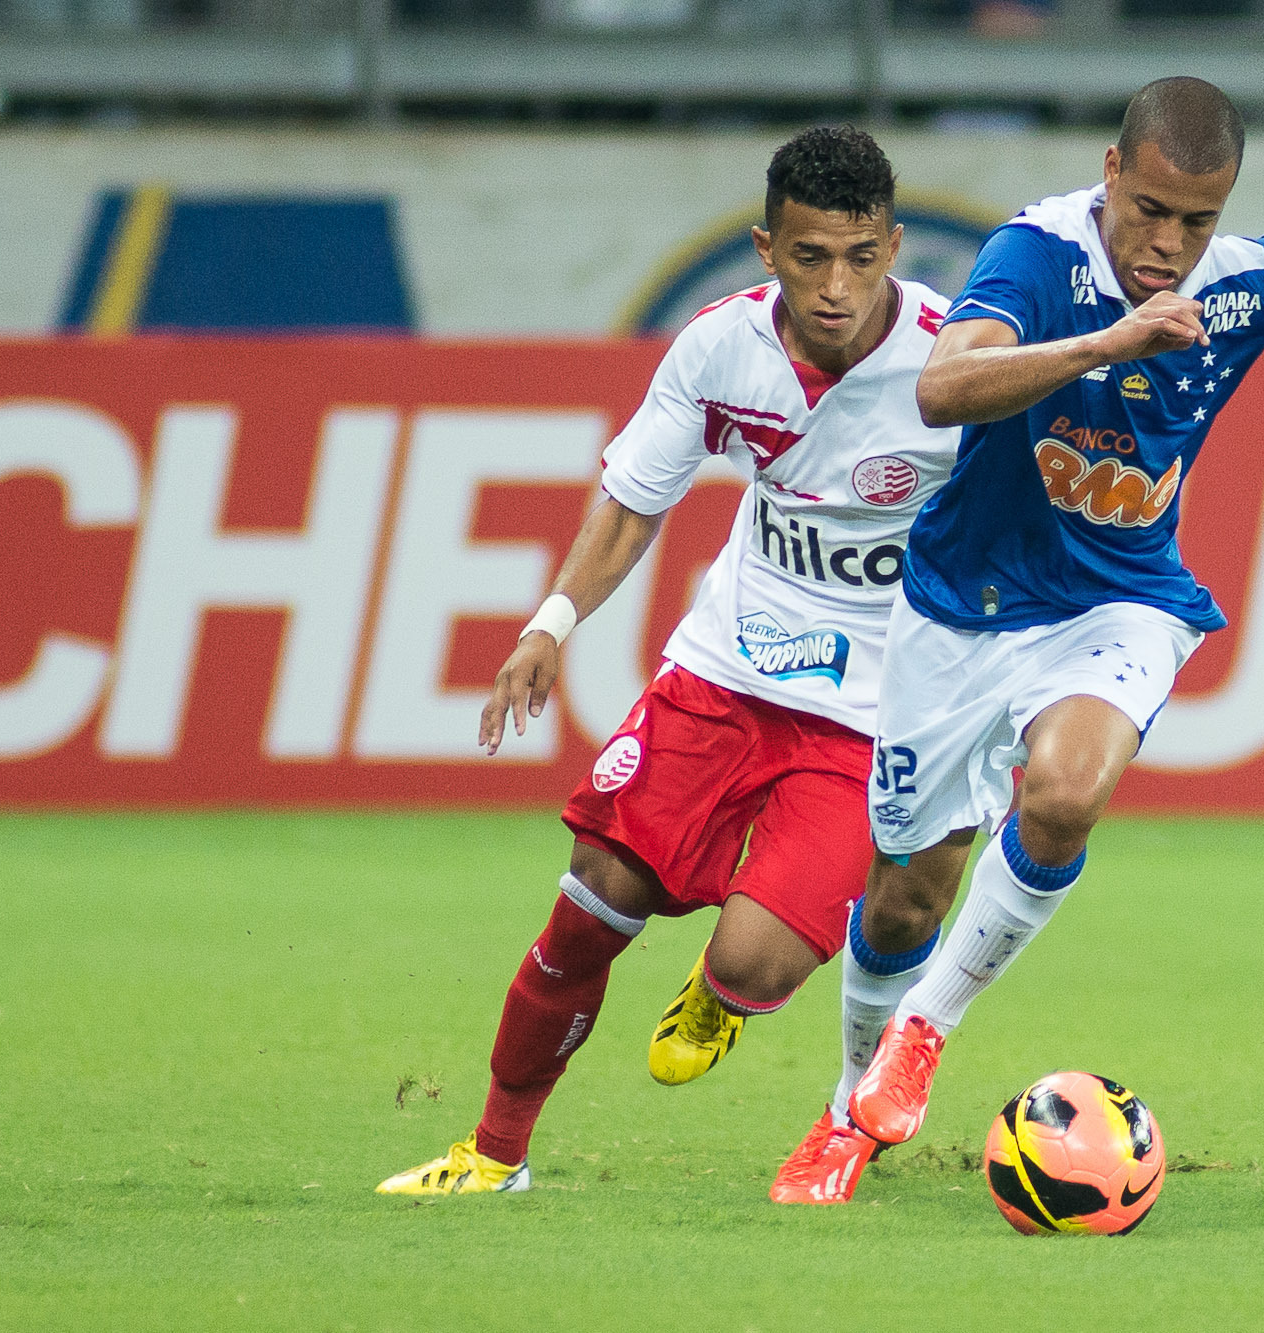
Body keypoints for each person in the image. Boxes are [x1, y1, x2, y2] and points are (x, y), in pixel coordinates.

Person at [767, 75, 1264, 1202]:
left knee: (1064, 792)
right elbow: (943, 390)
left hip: (1118, 600)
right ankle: (845, 1101)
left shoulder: (1239, 283)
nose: (1168, 243)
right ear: (1109, 172)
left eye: (1197, 220)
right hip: (959, 605)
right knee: (905, 890)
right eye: (1149, 208)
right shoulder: (1035, 259)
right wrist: (1108, 340)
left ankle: (924, 1034)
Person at [377, 125, 960, 1196]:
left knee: (750, 963)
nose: (836, 287)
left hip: (870, 717)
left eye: (861, 257)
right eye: (808, 257)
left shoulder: (953, 359)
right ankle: (491, 1152)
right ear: (763, 248)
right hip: (725, 674)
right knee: (591, 897)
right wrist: (550, 621)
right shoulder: (716, 348)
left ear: (894, 246)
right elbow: (633, 500)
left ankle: (722, 991)